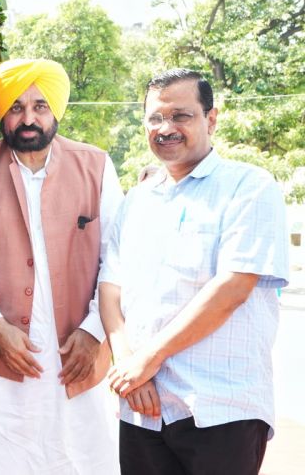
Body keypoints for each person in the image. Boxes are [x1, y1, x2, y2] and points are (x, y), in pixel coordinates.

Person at [99, 68, 289, 475]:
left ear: (211, 118)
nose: (166, 128)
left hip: (219, 406)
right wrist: (130, 367)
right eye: (155, 118)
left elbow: (233, 288)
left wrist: (148, 358)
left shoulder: (249, 186)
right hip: (143, 408)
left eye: (181, 115)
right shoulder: (137, 202)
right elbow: (110, 289)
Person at [0, 59, 123, 475]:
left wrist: (95, 330)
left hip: (77, 353)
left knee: (78, 460)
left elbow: (119, 258)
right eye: (17, 107)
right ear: (3, 114)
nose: (28, 118)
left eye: (40, 106)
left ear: (55, 111)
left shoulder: (97, 166)